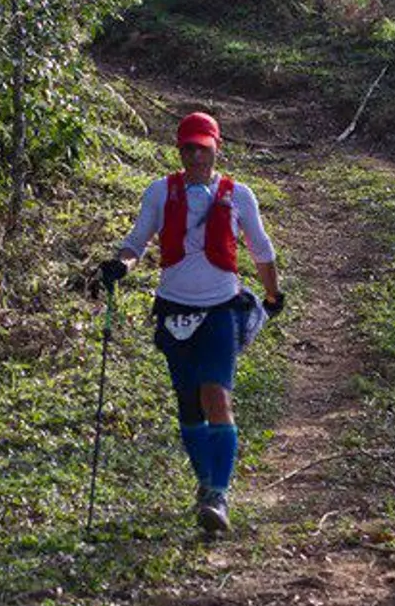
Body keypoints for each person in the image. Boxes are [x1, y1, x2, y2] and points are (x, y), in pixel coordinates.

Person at [100, 111, 284, 536]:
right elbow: (136, 243)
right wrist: (120, 267)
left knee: (216, 395)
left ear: (217, 147)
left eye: (203, 146)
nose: (196, 154)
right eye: (188, 147)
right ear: (179, 150)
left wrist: (272, 295)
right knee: (187, 404)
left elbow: (261, 249)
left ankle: (219, 494)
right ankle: (205, 483)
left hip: (221, 309)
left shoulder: (239, 195)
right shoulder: (159, 193)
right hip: (173, 310)